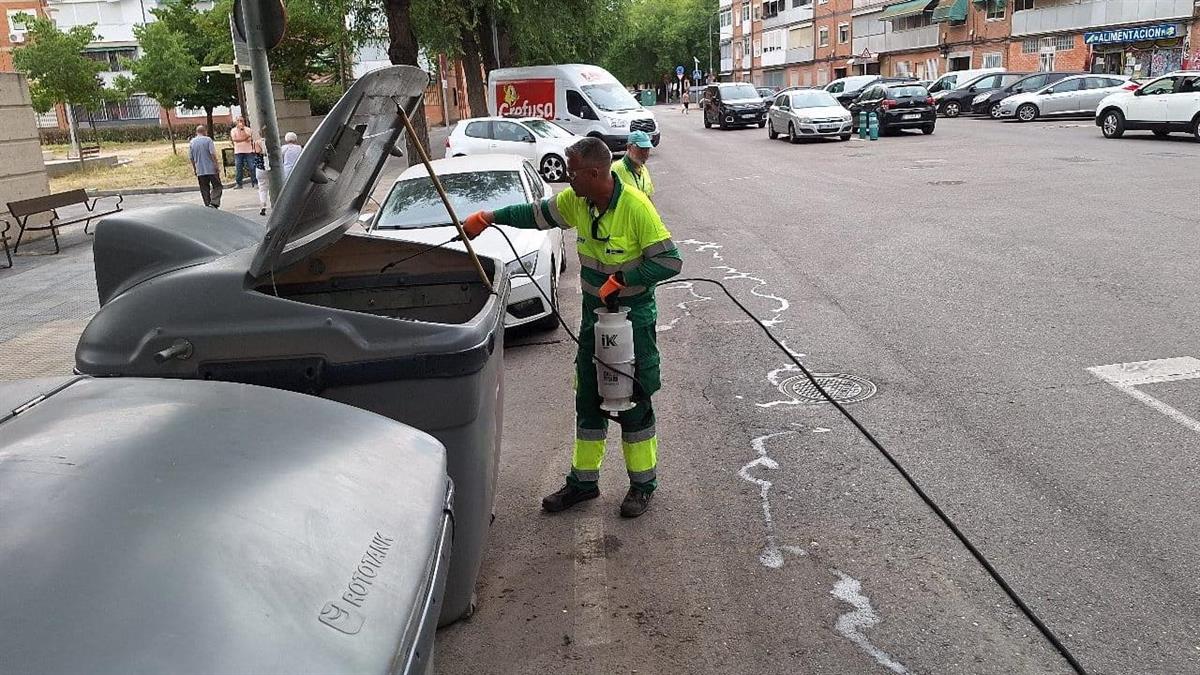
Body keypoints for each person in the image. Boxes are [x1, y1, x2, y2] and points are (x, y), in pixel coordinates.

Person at [462, 137, 682, 518]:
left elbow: (670, 262)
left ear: (595, 173)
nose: (567, 178)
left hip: (632, 321)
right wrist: (490, 217)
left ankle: (642, 485)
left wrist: (623, 278)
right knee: (588, 399)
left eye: (572, 171)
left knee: (634, 401)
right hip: (594, 319)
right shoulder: (577, 202)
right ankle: (584, 483)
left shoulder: (634, 207)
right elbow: (535, 214)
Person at [611, 130, 654, 200]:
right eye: (641, 149)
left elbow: (648, 197)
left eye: (647, 149)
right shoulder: (616, 169)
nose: (645, 153)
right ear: (629, 147)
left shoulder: (644, 170)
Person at [188, 125, 222, 209]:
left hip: (200, 170)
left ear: (196, 132)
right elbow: (212, 154)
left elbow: (191, 158)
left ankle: (207, 205)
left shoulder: (192, 142)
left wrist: (195, 169)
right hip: (211, 168)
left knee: (204, 188)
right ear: (204, 131)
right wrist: (216, 165)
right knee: (217, 186)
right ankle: (214, 202)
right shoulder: (208, 140)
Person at [230, 117, 256, 189]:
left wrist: (242, 130)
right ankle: (239, 184)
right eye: (238, 121)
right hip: (238, 151)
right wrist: (244, 138)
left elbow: (248, 139)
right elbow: (235, 139)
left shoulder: (248, 130)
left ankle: (255, 182)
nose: (240, 122)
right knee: (239, 167)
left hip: (248, 151)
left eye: (241, 120)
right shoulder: (233, 130)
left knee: (252, 167)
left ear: (244, 121)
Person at [253, 127, 271, 217]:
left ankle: (263, 205)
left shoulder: (257, 142)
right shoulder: (272, 142)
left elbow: (257, 152)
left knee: (262, 188)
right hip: (272, 168)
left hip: (260, 167)